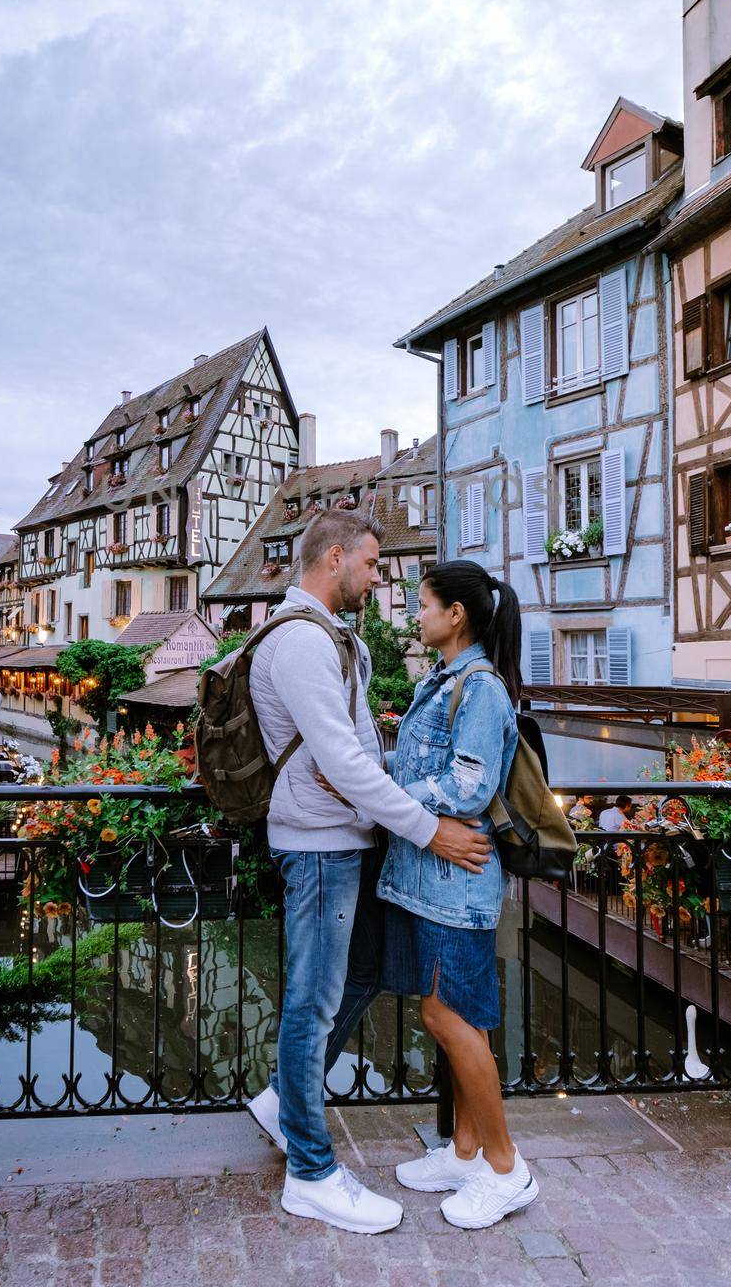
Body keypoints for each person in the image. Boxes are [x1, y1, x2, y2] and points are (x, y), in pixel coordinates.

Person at [246, 510, 493, 1235]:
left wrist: (394, 792)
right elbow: (341, 760)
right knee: (312, 1003)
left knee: (356, 978)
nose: (380, 576)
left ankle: (277, 1107)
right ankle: (312, 1173)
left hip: (342, 839)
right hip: (318, 846)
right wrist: (429, 830)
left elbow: (357, 753)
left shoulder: (326, 635)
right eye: (372, 563)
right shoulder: (298, 642)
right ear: (334, 558)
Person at [377, 560, 539, 1230]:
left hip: (457, 882)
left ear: (455, 616)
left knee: (448, 1018)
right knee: (452, 1015)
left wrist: (385, 799)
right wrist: (366, 775)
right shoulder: (443, 682)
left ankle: (505, 1168)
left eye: (422, 605)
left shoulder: (480, 689)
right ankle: (466, 1151)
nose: (414, 616)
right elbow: (421, 766)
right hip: (431, 879)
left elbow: (469, 785)